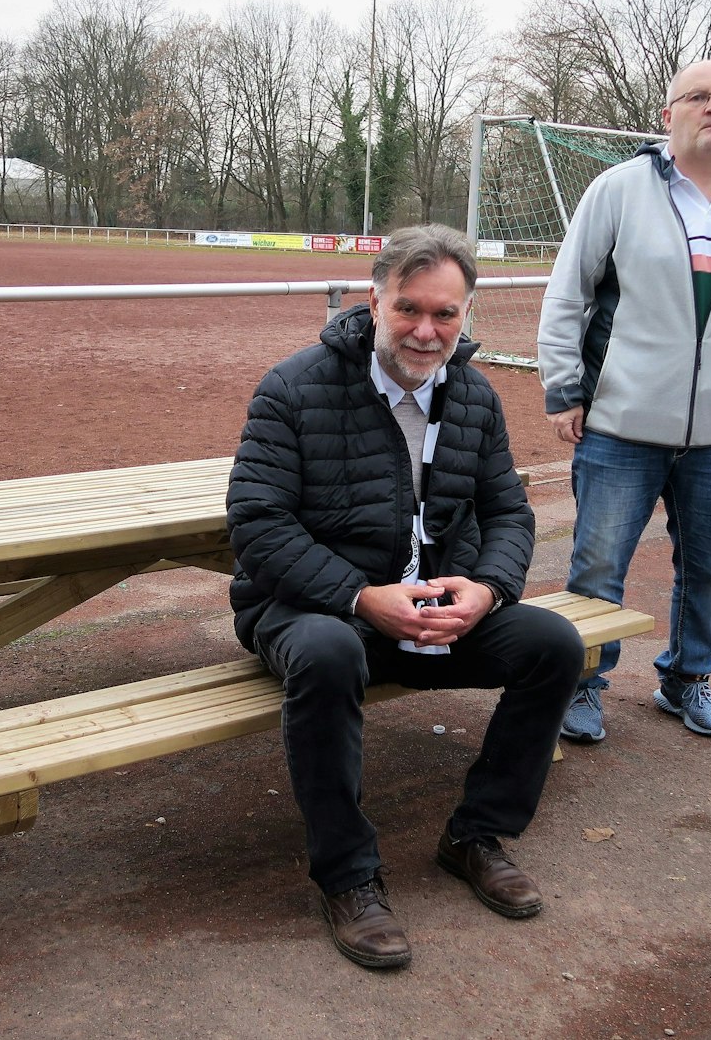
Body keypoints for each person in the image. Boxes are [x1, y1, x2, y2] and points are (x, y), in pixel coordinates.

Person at [228, 224, 584, 970]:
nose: (427, 331)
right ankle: (349, 875)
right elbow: (258, 526)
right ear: (374, 301)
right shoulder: (294, 387)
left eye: (446, 314)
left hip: (433, 610)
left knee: (554, 644)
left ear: (466, 315)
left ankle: (476, 836)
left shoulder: (476, 397)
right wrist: (361, 598)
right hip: (316, 609)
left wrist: (486, 589)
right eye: (409, 309)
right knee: (325, 654)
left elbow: (510, 513)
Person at [536, 59, 711, 744]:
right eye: (696, 96)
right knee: (598, 565)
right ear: (669, 115)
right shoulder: (620, 190)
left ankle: (687, 679)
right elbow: (567, 294)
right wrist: (565, 388)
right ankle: (583, 687)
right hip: (621, 426)